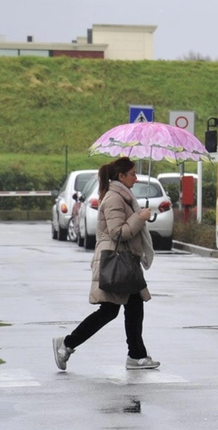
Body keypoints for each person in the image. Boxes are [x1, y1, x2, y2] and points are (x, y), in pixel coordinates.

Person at [53, 157, 160, 371]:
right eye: (132, 174)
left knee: (134, 306)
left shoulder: (123, 196)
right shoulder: (114, 198)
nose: (136, 178)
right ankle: (66, 344)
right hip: (116, 261)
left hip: (125, 260)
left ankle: (136, 354)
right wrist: (140, 217)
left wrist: (139, 216)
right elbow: (118, 232)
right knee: (109, 311)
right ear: (121, 176)